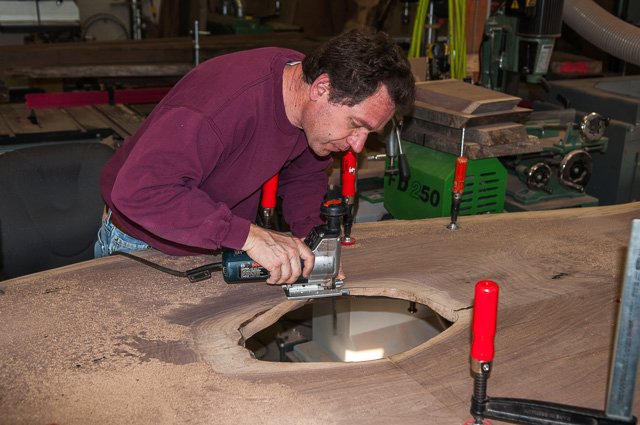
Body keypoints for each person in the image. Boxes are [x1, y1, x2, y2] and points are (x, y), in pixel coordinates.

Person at [95, 29, 415, 285]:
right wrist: (248, 235)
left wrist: (310, 238)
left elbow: (305, 171)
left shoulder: (305, 102)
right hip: (145, 245)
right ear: (322, 89)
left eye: (368, 133)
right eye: (356, 125)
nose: (358, 146)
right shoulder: (224, 105)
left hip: (217, 238)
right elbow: (140, 191)